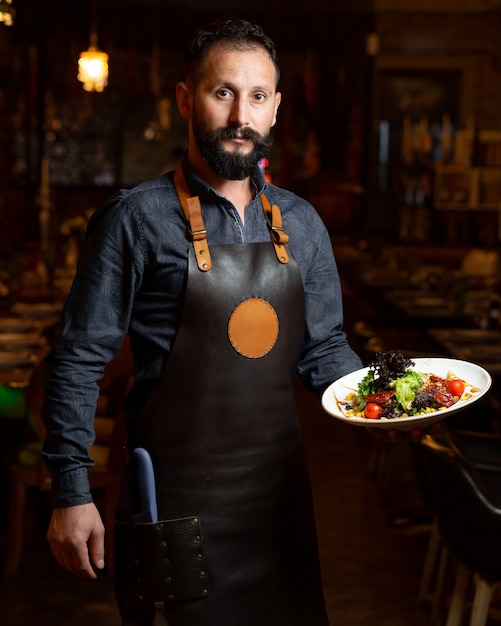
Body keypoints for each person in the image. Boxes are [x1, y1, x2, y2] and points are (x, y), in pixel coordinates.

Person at [42, 17, 364, 626]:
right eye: (224, 92)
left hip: (277, 510)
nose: (241, 114)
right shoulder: (134, 220)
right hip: (175, 509)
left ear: (275, 110)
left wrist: (379, 408)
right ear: (187, 100)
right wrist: (71, 490)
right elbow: (77, 358)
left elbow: (325, 353)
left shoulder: (304, 223)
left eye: (258, 96)